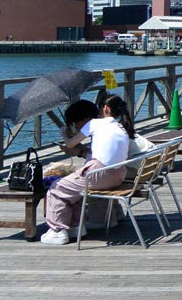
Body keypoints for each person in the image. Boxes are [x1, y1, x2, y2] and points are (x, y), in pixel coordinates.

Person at [41, 97, 133, 245]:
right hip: (118, 175)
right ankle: (77, 226)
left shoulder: (93, 123)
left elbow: (70, 144)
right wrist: (80, 151)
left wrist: (65, 133)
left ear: (106, 109)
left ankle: (58, 231)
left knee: (56, 188)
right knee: (76, 188)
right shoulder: (120, 127)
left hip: (99, 174)